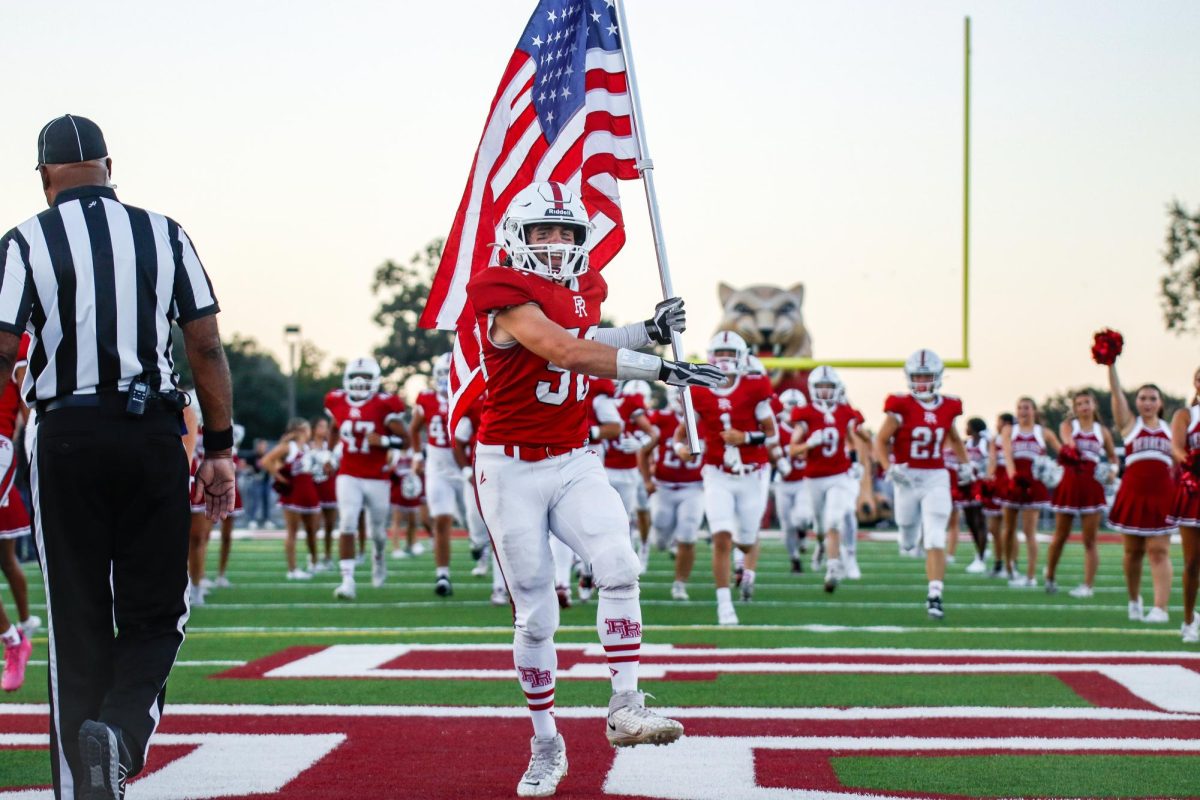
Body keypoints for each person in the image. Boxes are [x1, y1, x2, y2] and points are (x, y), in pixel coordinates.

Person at [0, 114, 235, 799]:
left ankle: (83, 790)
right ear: (108, 165)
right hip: (151, 434)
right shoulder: (164, 233)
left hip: (64, 436)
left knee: (75, 620)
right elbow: (206, 346)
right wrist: (217, 448)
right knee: (159, 612)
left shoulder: (25, 241)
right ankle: (124, 733)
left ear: (44, 176)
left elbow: (4, 348)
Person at [465, 181, 722, 796]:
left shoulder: (587, 287)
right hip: (510, 466)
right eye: (543, 232)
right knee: (536, 614)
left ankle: (625, 705)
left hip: (575, 458)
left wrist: (645, 332)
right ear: (516, 237)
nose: (556, 244)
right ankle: (546, 741)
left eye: (567, 233)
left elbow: (590, 341)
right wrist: (660, 368)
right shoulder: (496, 287)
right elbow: (560, 348)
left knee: (618, 564)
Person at [684, 331, 783, 624]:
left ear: (742, 358)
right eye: (720, 355)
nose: (725, 361)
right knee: (721, 538)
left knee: (745, 540)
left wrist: (745, 437)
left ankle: (746, 564)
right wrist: (684, 447)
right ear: (711, 357)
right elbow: (684, 430)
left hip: (752, 474)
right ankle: (724, 604)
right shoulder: (699, 389)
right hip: (717, 473)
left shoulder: (755, 386)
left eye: (730, 355)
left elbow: (772, 433)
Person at [875, 349, 972, 619]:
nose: (921, 382)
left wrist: (964, 464)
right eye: (917, 377)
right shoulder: (900, 406)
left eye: (926, 376)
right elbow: (881, 440)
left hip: (935, 476)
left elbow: (952, 436)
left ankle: (935, 594)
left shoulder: (949, 407)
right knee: (907, 533)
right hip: (906, 476)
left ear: (937, 377)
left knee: (935, 534)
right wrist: (889, 467)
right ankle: (908, 538)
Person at [325, 358, 409, 600]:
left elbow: (405, 440)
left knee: (378, 533)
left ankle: (379, 558)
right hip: (349, 473)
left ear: (375, 380)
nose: (359, 382)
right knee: (347, 522)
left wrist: (383, 441)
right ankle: (347, 580)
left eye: (365, 377)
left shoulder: (384, 406)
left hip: (377, 476)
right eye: (355, 377)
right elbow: (334, 427)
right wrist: (330, 455)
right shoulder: (337, 401)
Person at [788, 367, 871, 592]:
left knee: (834, 519)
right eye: (821, 387)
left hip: (839, 475)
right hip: (814, 477)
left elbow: (854, 439)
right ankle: (821, 546)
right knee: (819, 525)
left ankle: (833, 567)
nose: (825, 391)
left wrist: (855, 462)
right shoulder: (804, 413)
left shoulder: (845, 411)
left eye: (829, 387)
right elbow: (792, 449)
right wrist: (809, 444)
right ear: (813, 389)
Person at [1106, 359, 1176, 623]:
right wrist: (1110, 363)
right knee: (1132, 552)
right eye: (1143, 398)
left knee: (1159, 550)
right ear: (1136, 402)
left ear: (1160, 403)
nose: (1147, 403)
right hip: (1134, 493)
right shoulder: (1130, 425)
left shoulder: (1171, 429)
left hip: (1162, 495)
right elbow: (1116, 392)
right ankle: (1134, 599)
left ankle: (1160, 608)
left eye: (1152, 398)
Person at [1044, 391, 1117, 596]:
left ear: (1094, 405)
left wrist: (1112, 471)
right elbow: (1069, 443)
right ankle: (1050, 575)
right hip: (1070, 481)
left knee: (1090, 540)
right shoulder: (1069, 426)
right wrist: (1075, 451)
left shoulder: (1102, 431)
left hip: (1091, 485)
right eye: (1079, 404)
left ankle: (1087, 586)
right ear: (1075, 408)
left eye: (1087, 402)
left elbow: (1113, 458)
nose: (1084, 406)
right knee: (1060, 536)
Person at [643, 387, 705, 600]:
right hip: (664, 487)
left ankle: (680, 583)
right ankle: (665, 541)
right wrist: (647, 479)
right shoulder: (659, 418)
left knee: (688, 534)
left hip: (694, 487)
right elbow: (643, 451)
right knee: (659, 536)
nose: (681, 400)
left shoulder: (704, 419)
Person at [411, 353, 465, 596]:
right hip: (437, 466)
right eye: (441, 374)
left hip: (465, 466)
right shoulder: (426, 398)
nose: (445, 379)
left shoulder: (469, 394)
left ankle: (481, 551)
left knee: (478, 524)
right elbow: (414, 429)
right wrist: (416, 455)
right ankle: (442, 574)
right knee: (441, 520)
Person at [0, 335, 34, 692]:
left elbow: (29, 403)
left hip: (1, 442)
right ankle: (15, 635)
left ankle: (16, 635)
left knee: (7, 560)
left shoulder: (17, 334)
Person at [999, 398, 1062, 588]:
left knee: (1029, 532)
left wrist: (1053, 470)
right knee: (1009, 530)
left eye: (1026, 408)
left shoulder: (1043, 432)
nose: (1022, 411)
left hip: (1034, 484)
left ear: (1034, 410)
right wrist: (1013, 477)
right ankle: (1010, 569)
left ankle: (1031, 576)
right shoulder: (1010, 430)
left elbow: (1063, 453)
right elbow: (1008, 455)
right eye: (1019, 408)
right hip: (1014, 481)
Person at [261, 418, 322, 579]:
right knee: (292, 532)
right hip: (294, 492)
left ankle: (314, 563)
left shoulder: (309, 447)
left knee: (312, 531)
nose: (310, 432)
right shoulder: (289, 446)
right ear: (301, 430)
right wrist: (279, 477)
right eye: (308, 429)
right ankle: (292, 569)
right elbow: (266, 460)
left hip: (309, 491)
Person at [1168, 366, 1200, 643]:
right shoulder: (1186, 414)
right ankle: (1189, 619)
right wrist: (1190, 460)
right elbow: (1176, 447)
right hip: (1194, 490)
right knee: (1192, 562)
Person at [773, 389, 813, 574]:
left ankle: (803, 532)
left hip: (804, 481)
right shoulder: (775, 428)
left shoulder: (808, 428)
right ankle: (794, 559)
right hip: (783, 482)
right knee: (787, 525)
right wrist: (777, 464)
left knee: (802, 518)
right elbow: (768, 451)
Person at [957, 417, 992, 574]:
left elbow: (991, 461)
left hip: (981, 485)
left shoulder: (986, 443)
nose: (966, 428)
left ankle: (981, 556)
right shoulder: (966, 443)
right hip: (967, 486)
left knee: (980, 521)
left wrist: (981, 472)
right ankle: (980, 550)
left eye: (968, 426)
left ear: (975, 428)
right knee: (970, 521)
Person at [984, 412, 1015, 577]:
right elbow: (992, 461)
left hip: (1009, 481)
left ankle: (1012, 563)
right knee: (994, 528)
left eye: (999, 422)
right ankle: (999, 562)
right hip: (997, 483)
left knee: (1009, 528)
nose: (997, 425)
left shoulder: (1015, 436)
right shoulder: (994, 439)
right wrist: (987, 481)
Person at [310, 416, 340, 569]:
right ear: (314, 429)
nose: (325, 430)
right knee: (314, 526)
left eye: (326, 427)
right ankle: (313, 558)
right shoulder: (308, 447)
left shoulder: (332, 447)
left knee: (330, 525)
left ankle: (327, 557)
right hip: (314, 488)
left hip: (330, 487)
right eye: (321, 426)